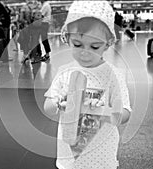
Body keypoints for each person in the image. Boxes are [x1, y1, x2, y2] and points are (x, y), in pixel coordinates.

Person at [43, 1, 131, 169]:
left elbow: (125, 114)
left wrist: (106, 112)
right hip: (68, 156)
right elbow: (47, 106)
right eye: (77, 44)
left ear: (108, 44)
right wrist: (57, 103)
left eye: (95, 46)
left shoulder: (113, 76)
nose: (85, 52)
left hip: (101, 156)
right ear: (67, 38)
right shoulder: (64, 72)